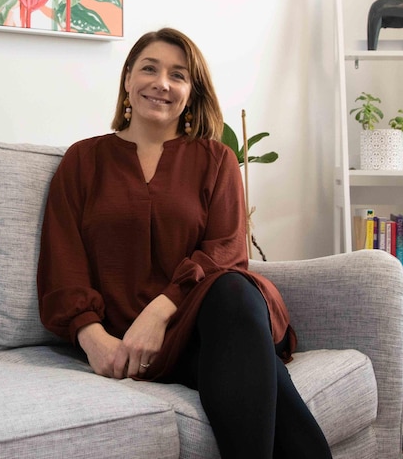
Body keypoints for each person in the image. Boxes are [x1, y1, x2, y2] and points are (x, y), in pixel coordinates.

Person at [37, 28, 331, 459]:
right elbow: (62, 263)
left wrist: (159, 311)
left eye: (178, 75)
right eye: (149, 69)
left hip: (204, 326)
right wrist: (91, 336)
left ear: (190, 93)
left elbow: (226, 253)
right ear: (127, 80)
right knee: (261, 371)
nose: (162, 83)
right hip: (123, 339)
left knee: (233, 288)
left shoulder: (216, 159)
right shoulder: (82, 161)